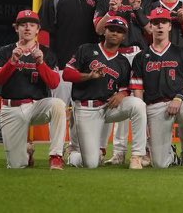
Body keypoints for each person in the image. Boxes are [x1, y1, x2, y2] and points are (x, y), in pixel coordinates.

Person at [62, 15, 147, 169]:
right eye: (111, 29)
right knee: (92, 164)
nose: (115, 33)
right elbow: (67, 74)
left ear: (124, 36)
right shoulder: (86, 49)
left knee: (138, 105)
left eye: (119, 31)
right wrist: (88, 76)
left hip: (107, 108)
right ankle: (73, 153)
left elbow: (125, 88)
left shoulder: (122, 62)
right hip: (86, 108)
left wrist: (122, 94)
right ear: (104, 31)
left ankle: (137, 156)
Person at [130, 7, 183, 169]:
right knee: (160, 164)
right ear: (150, 26)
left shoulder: (182, 52)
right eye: (156, 23)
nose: (160, 26)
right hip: (155, 107)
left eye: (164, 22)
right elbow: (138, 90)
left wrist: (179, 97)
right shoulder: (140, 57)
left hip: (179, 103)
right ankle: (171, 154)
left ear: (170, 26)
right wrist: (142, 113)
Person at [37, 0, 99, 162]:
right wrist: (49, 59)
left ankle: (77, 151)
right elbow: (43, 32)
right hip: (61, 65)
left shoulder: (93, 0)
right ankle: (56, 151)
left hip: (84, 69)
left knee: (82, 111)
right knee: (59, 110)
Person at [93, 0, 153, 166]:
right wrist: (111, 11)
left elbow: (152, 32)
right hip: (113, 55)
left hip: (137, 54)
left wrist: (138, 10)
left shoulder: (145, 0)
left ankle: (142, 151)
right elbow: (98, 30)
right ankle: (117, 152)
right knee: (113, 101)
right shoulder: (105, 0)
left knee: (137, 103)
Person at [0, 10, 66, 169]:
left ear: (38, 29)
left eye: (32, 25)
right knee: (17, 165)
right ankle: (26, 151)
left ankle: (56, 156)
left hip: (36, 106)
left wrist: (40, 62)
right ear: (16, 28)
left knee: (58, 104)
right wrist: (12, 62)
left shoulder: (46, 52)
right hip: (11, 108)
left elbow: (54, 83)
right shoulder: (5, 51)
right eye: (23, 25)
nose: (27, 28)